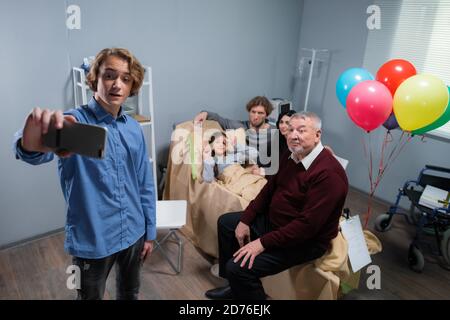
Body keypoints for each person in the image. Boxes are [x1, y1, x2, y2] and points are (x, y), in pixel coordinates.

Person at [12, 48, 156, 300]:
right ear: (95, 79)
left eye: (125, 78)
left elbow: (144, 183)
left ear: (132, 85)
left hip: (135, 231)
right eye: (109, 75)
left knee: (130, 292)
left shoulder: (134, 128)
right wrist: (31, 139)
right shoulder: (74, 123)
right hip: (92, 240)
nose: (117, 84)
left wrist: (149, 231)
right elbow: (34, 151)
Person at [204, 111, 348, 300]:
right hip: (276, 222)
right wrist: (246, 220)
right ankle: (235, 288)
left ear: (317, 135)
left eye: (301, 130)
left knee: (237, 268)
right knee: (227, 223)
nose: (293, 135)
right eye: (290, 130)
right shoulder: (290, 154)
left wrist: (262, 243)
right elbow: (269, 189)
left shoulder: (329, 174)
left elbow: (307, 227)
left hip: (304, 240)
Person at [194, 96, 276, 169]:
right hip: (243, 167)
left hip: (265, 171)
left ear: (267, 115)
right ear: (249, 112)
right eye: (253, 112)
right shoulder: (239, 125)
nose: (256, 116)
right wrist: (205, 113)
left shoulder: (273, 132)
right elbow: (220, 119)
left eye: (260, 113)